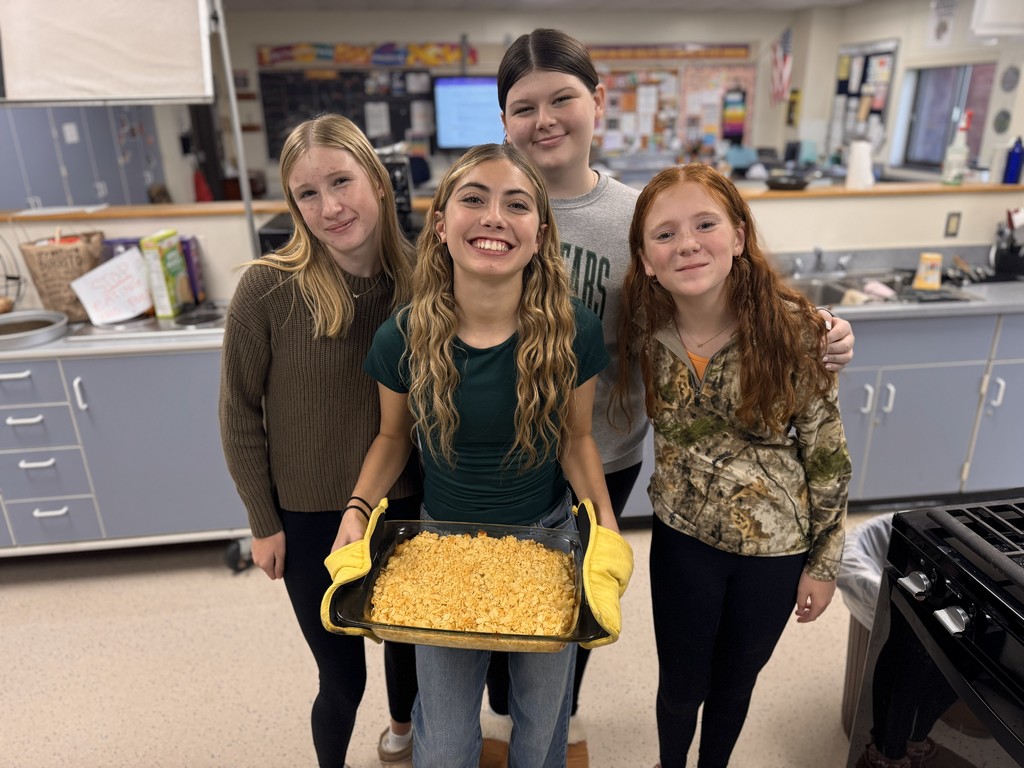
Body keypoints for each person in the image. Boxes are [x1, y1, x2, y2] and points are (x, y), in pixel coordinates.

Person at [484, 27, 858, 765]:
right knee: (502, 597)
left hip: (605, 450)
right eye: (524, 106)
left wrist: (824, 335)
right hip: (500, 455)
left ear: (597, 101)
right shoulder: (493, 205)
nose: (545, 118)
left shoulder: (638, 216)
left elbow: (720, 297)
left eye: (563, 97)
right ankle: (509, 712)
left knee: (579, 595)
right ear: (504, 122)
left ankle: (561, 708)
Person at [329, 142, 629, 768]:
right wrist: (357, 510)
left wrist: (604, 526)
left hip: (544, 546)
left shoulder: (574, 329)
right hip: (442, 549)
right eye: (474, 199)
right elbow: (393, 437)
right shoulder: (404, 335)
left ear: (540, 235)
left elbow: (577, 439)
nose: (494, 216)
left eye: (516, 205)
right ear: (440, 224)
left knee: (544, 725)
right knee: (441, 733)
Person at [613, 162, 852, 768]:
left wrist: (824, 564)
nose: (687, 243)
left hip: (776, 551)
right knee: (679, 687)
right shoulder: (641, 322)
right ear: (644, 257)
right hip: (682, 538)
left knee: (733, 685)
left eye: (705, 224)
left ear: (739, 237)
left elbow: (826, 457)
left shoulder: (796, 331)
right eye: (664, 234)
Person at [218, 114, 422, 768]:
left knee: (407, 643)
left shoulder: (424, 282)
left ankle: (402, 732)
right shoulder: (266, 289)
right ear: (294, 204)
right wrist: (261, 520)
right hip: (307, 518)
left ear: (379, 183)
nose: (330, 206)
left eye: (342, 181)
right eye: (308, 193)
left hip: (405, 505)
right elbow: (238, 413)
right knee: (341, 678)